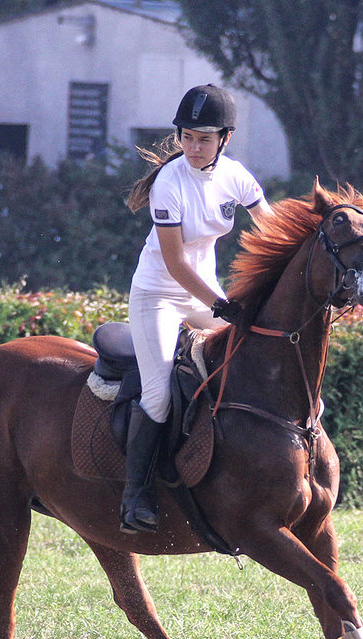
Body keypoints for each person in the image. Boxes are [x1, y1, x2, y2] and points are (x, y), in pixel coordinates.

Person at [119, 84, 272, 533]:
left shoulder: (237, 177)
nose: (192, 146)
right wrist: (221, 305)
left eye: (204, 138)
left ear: (225, 138)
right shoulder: (170, 183)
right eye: (186, 136)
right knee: (159, 393)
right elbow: (175, 263)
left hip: (205, 293)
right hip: (159, 296)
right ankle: (134, 499)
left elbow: (271, 231)